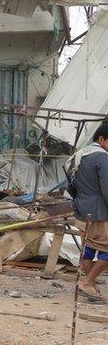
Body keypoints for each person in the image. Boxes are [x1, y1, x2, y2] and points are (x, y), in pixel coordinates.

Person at [70, 121, 108, 302]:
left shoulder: (81, 155)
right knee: (105, 248)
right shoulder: (102, 158)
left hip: (81, 210)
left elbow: (70, 184)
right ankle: (87, 282)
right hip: (100, 212)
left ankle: (90, 285)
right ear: (102, 139)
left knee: (89, 247)